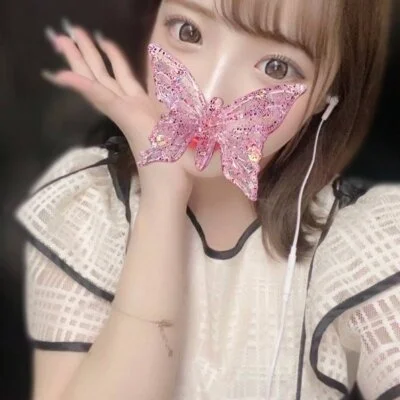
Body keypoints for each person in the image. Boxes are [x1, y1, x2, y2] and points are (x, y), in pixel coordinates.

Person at [14, 0, 400, 399]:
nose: (211, 93)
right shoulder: (88, 210)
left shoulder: (362, 246)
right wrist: (163, 198)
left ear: (328, 94)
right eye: (188, 32)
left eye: (276, 67)